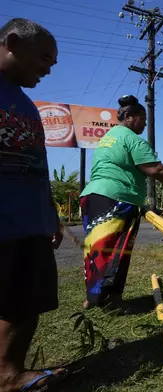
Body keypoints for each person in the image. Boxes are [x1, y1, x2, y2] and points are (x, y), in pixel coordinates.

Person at [0, 18, 70, 392]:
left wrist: (52, 215)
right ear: (12, 42)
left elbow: (37, 166)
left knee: (24, 304)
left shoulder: (26, 105)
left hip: (30, 224)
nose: (49, 67)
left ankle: (9, 375)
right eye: (45, 57)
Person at [80, 95, 163, 310]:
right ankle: (113, 300)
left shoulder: (109, 137)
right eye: (142, 118)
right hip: (117, 198)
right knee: (117, 251)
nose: (144, 123)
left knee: (96, 249)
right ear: (129, 117)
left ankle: (93, 298)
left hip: (92, 196)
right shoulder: (131, 139)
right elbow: (157, 170)